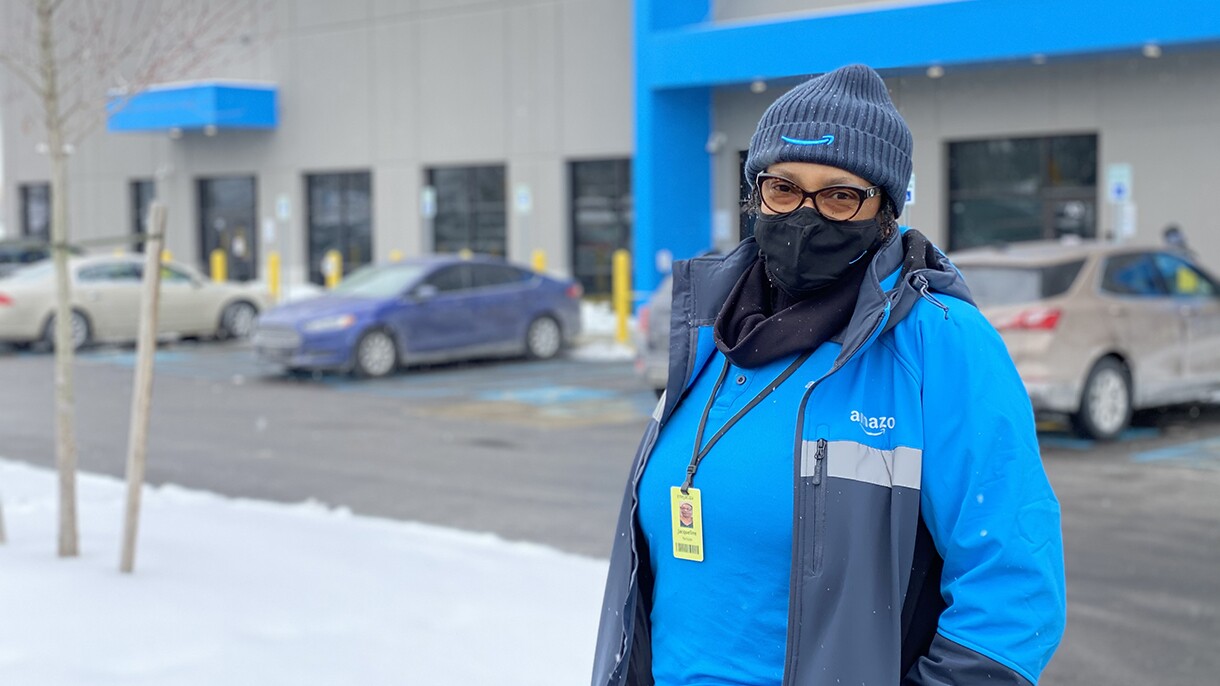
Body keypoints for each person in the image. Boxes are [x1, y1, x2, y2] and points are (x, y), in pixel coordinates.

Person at [591, 64, 1066, 686]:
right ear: (754, 194)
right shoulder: (710, 329)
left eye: (842, 196)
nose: (805, 217)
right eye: (783, 188)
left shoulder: (941, 341)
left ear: (886, 213)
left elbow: (1014, 593)